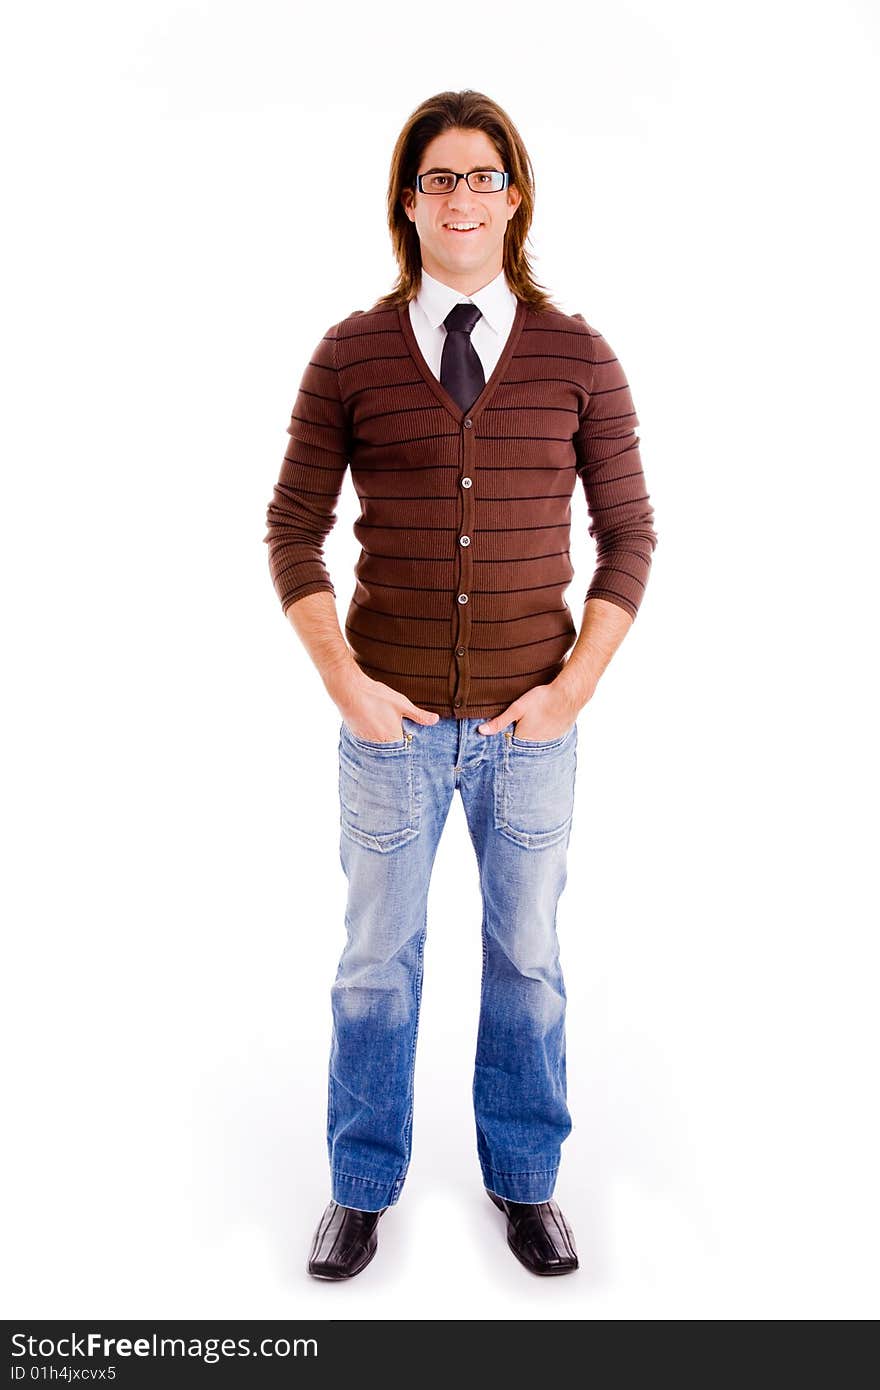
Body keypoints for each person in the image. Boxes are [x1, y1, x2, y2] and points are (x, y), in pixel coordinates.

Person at [263, 89, 658, 1280]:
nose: (462, 196)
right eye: (439, 177)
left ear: (515, 194)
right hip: (389, 727)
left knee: (527, 958)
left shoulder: (580, 354)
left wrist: (574, 687)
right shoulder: (350, 352)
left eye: (482, 175)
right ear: (408, 201)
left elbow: (630, 532)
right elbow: (292, 528)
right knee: (375, 963)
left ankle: (525, 1182)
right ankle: (361, 1184)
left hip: (533, 726)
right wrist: (345, 684)